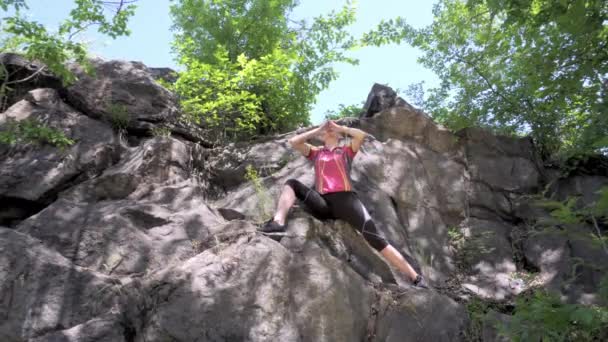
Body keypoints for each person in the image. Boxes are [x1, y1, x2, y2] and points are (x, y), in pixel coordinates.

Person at [259, 120, 428, 288]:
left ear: (340, 136)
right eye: (327, 131)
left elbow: (361, 136)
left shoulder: (345, 151)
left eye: (334, 130)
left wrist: (341, 127)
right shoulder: (317, 153)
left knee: (375, 238)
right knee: (292, 183)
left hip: (346, 201)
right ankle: (278, 222)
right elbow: (294, 142)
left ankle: (415, 277)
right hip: (323, 203)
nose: (330, 131)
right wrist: (318, 130)